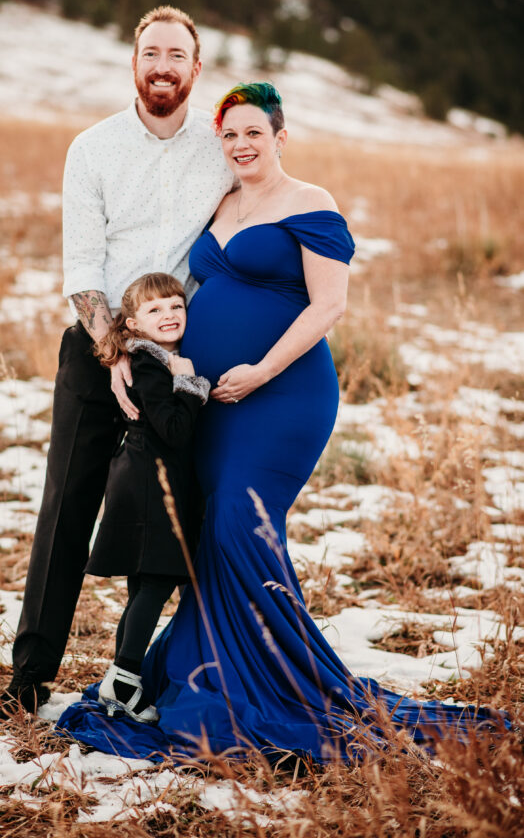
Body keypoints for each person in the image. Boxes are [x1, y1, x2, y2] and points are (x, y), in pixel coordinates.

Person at [56, 82, 504, 761]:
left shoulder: (311, 203)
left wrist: (262, 370)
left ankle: (277, 688)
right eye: (229, 135)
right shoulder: (223, 200)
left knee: (241, 519)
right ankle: (216, 674)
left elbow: (329, 307)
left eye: (253, 134)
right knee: (214, 532)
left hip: (283, 396)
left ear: (280, 136)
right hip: (212, 406)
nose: (240, 146)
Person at [0, 7, 234, 719]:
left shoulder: (221, 149)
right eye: (151, 52)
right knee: (67, 504)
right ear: (134, 62)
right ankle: (30, 676)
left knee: (185, 515)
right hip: (95, 347)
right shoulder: (92, 148)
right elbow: (82, 267)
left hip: (182, 362)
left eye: (177, 55)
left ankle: (175, 672)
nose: (163, 66)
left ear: (196, 69)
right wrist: (116, 350)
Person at [87, 272, 210, 723]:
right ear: (133, 324)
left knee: (143, 586)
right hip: (148, 484)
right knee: (156, 583)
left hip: (142, 478)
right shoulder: (153, 366)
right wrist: (190, 383)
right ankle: (123, 677)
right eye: (155, 310)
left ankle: (119, 680)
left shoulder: (153, 359)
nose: (169, 315)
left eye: (176, 306)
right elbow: (174, 430)